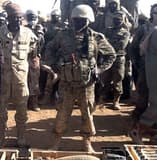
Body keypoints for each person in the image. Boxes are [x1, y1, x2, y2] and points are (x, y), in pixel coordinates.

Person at [47, 4, 115, 153]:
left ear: (88, 21)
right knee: (62, 113)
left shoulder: (96, 37)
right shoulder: (63, 35)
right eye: (76, 20)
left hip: (87, 84)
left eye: (82, 20)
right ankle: (56, 142)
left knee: (87, 115)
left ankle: (86, 142)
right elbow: (49, 49)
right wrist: (54, 66)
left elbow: (111, 54)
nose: (78, 23)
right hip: (66, 83)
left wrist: (99, 69)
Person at [0, 2, 38, 147]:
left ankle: (21, 137)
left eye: (19, 17)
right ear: (8, 18)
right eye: (14, 17)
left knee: (22, 110)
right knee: (1, 110)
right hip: (3, 78)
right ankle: (0, 135)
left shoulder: (28, 33)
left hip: (20, 80)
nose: (17, 20)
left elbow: (34, 46)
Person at [129, 3, 157, 144]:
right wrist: (136, 64)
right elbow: (136, 49)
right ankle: (138, 128)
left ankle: (152, 133)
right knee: (146, 101)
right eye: (155, 12)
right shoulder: (148, 30)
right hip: (148, 71)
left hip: (151, 70)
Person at [101, 11, 130, 110]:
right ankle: (102, 99)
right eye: (115, 19)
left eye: (119, 19)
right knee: (105, 80)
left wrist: (108, 43)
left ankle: (116, 101)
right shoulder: (107, 30)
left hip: (119, 58)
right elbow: (102, 43)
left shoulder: (125, 32)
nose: (116, 21)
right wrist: (109, 44)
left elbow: (121, 45)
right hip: (107, 58)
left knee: (117, 80)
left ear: (122, 21)